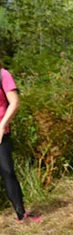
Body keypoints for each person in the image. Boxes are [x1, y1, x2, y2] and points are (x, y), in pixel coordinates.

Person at [0, 66, 40, 223]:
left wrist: (2, 125)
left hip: (1, 135)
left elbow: (14, 102)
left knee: (7, 171)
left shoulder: (3, 75)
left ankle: (21, 214)